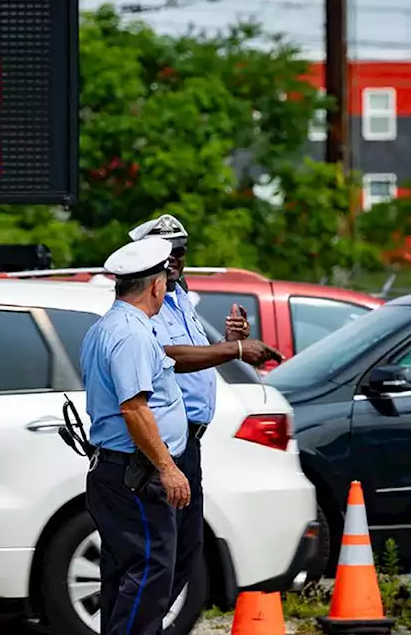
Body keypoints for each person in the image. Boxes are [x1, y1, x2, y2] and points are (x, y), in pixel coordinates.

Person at [128, 214, 284, 604]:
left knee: (184, 547)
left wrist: (231, 339)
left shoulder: (180, 297)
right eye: (167, 253)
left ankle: (153, 623)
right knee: (161, 553)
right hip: (162, 441)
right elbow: (170, 357)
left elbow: (197, 355)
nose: (176, 260)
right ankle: (143, 625)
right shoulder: (150, 303)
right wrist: (234, 350)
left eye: (180, 251)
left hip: (188, 441)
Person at [80, 237, 192, 635]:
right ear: (156, 285)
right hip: (137, 474)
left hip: (117, 470)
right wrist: (168, 468)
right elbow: (134, 408)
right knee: (149, 572)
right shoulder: (131, 334)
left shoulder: (107, 326)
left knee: (123, 574)